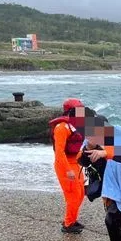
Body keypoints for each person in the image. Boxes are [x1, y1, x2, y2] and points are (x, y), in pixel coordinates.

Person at [49, 98, 86, 233]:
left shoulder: (75, 126)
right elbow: (59, 152)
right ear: (71, 111)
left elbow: (76, 147)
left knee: (81, 193)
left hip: (75, 163)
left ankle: (72, 219)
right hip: (64, 165)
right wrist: (68, 170)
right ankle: (68, 224)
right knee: (73, 195)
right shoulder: (61, 128)